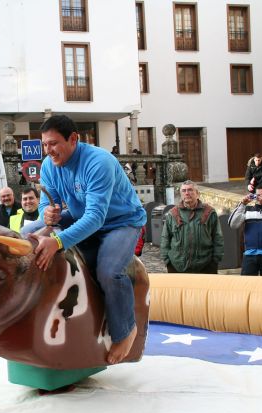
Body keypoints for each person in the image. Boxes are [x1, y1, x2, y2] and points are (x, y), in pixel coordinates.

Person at [24, 114, 146, 365]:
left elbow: (96, 218)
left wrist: (57, 242)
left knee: (109, 271)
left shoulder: (98, 161)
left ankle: (126, 330)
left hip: (121, 222)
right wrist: (48, 213)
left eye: (54, 144)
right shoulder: (48, 166)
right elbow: (47, 206)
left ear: (73, 139)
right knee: (30, 233)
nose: (49, 151)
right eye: (45, 145)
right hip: (83, 216)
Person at [160, 181, 224, 274]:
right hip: (177, 267)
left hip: (205, 267)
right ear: (181, 194)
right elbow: (165, 238)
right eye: (184, 190)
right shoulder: (172, 214)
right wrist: (167, 261)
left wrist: (215, 261)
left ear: (197, 194)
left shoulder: (209, 212)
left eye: (190, 190)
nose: (187, 193)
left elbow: (218, 237)